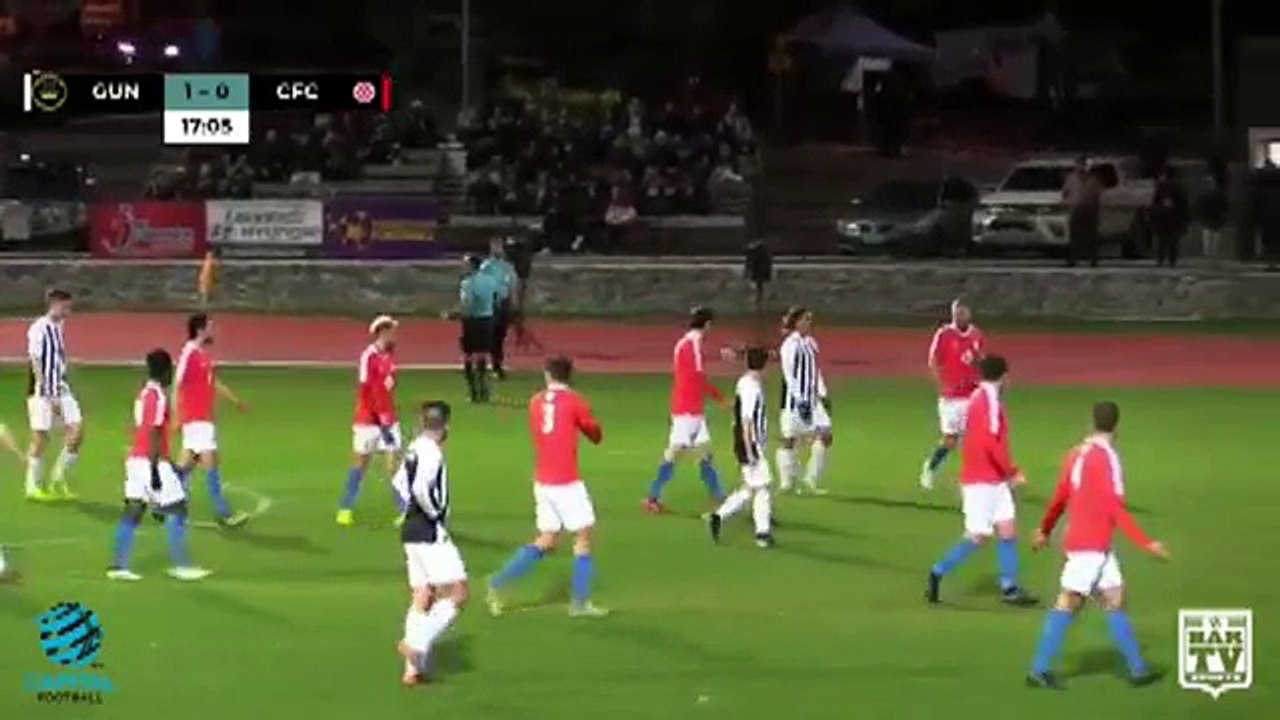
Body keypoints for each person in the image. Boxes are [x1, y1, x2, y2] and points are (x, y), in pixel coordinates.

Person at [1027, 401, 1168, 689]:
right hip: (1091, 545)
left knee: (1115, 597)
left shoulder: (1075, 455)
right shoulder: (1108, 458)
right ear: (1117, 425)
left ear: (1092, 422)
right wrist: (1146, 542)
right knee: (1069, 602)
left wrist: (1044, 529)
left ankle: (1138, 669)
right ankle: (1039, 669)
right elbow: (1115, 508)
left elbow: (1059, 497)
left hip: (1089, 542)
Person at [487, 356, 608, 618]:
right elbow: (595, 434)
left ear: (547, 376)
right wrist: (591, 426)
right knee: (583, 538)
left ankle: (498, 583)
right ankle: (580, 603)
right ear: (570, 376)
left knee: (547, 539)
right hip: (566, 480)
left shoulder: (535, 401)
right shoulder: (575, 401)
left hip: (543, 479)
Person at [925, 355, 1037, 606]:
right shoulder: (990, 402)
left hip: (992, 479)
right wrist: (1012, 472)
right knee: (978, 536)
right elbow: (990, 442)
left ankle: (1009, 588)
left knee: (1007, 530)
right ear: (1004, 377)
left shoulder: (977, 398)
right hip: (982, 481)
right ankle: (938, 571)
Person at [107, 349, 210, 582]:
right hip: (149, 460)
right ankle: (181, 565)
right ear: (165, 371)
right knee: (178, 507)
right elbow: (153, 431)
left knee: (133, 510)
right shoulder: (157, 396)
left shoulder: (143, 393)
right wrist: (155, 469)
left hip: (136, 459)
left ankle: (118, 566)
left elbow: (138, 427)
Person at [394, 401, 468, 686]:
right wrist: (435, 513)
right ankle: (417, 642)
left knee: (423, 594)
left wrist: (407, 511)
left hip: (411, 528)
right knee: (459, 593)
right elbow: (420, 487)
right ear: (445, 425)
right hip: (428, 529)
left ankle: (412, 670)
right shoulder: (432, 453)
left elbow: (399, 484)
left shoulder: (413, 447)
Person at [645, 307, 726, 514]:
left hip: (688, 407)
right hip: (688, 410)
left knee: (705, 451)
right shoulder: (694, 343)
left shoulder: (684, 342)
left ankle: (718, 495)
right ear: (707, 324)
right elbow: (698, 376)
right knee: (675, 452)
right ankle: (652, 497)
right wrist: (719, 397)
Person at [175, 314, 250, 527]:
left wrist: (235, 401)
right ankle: (223, 513)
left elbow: (212, 382)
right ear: (200, 330)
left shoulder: (202, 354)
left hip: (202, 416)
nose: (213, 330)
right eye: (209, 327)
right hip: (196, 417)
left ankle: (164, 499)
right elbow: (177, 383)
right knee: (210, 460)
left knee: (188, 462)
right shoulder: (189, 352)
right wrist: (178, 415)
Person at [336, 316, 406, 527]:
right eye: (392, 331)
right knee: (360, 465)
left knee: (394, 467)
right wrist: (381, 420)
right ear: (381, 332)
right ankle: (346, 507)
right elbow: (367, 391)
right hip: (368, 420)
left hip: (388, 420)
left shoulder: (390, 356)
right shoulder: (368, 356)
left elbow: (388, 388)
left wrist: (388, 417)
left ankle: (405, 510)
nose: (395, 335)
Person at [708, 347, 774, 548]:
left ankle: (719, 516)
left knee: (750, 489)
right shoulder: (751, 388)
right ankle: (762, 533)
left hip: (750, 443)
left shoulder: (745, 383)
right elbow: (746, 420)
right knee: (763, 487)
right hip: (750, 444)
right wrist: (750, 448)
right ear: (763, 367)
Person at [920, 300, 984, 490]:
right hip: (950, 397)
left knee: (974, 439)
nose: (959, 317)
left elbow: (980, 360)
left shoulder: (977, 335)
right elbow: (933, 360)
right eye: (956, 313)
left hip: (971, 395)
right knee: (950, 440)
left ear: (969, 314)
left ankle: (973, 479)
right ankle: (930, 468)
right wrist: (941, 383)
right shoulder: (944, 334)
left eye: (962, 313)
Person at [25, 288, 82, 501]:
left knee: (77, 430)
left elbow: (57, 357)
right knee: (40, 438)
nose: (68, 311)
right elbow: (35, 362)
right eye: (65, 307)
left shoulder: (59, 326)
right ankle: (33, 486)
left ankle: (58, 478)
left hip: (61, 386)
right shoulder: (38, 329)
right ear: (54, 304)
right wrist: (48, 395)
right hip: (42, 391)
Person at [776, 306, 832, 495]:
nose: (810, 323)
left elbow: (815, 371)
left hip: (813, 400)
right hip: (795, 402)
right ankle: (787, 482)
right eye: (807, 319)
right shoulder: (789, 345)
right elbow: (789, 374)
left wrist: (823, 393)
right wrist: (800, 400)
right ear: (797, 322)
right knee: (789, 441)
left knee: (825, 435)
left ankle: (811, 479)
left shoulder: (811, 343)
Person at [452, 255, 499, 404]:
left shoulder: (467, 283)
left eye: (465, 264)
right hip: (487, 319)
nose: (462, 266)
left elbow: (468, 303)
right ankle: (484, 391)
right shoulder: (491, 280)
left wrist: (454, 314)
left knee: (469, 355)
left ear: (472, 266)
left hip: (472, 320)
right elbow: (497, 298)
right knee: (483, 354)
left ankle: (473, 392)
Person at [480, 238, 518, 380]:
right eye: (495, 247)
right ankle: (487, 365)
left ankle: (497, 366)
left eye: (499, 247)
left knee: (499, 337)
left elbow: (512, 286)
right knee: (488, 337)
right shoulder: (486, 266)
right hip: (490, 303)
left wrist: (514, 304)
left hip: (502, 303)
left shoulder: (507, 267)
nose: (497, 250)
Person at [1063, 156, 1101, 268]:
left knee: (1091, 236)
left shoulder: (1093, 179)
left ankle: (1093, 259)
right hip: (1076, 209)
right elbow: (1065, 193)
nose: (1081, 167)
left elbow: (1098, 195)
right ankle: (1072, 258)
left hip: (1090, 210)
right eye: (1079, 164)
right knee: (1075, 235)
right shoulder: (1071, 178)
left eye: (1083, 164)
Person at [1150, 166, 1189, 267]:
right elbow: (1184, 205)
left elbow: (1155, 202)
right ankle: (1171, 261)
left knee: (1162, 241)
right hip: (1174, 219)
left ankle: (1161, 260)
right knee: (1172, 241)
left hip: (1163, 219)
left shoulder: (1162, 187)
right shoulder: (1180, 188)